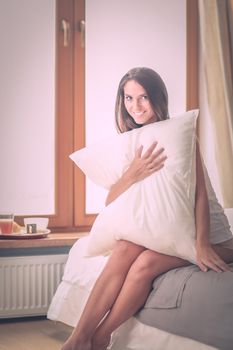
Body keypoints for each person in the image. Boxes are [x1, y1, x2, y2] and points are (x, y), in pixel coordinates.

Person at [61, 67, 233, 350]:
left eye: (143, 98)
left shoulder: (180, 134)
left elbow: (200, 194)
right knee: (125, 250)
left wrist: (202, 244)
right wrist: (133, 172)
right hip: (172, 232)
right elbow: (110, 200)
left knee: (145, 263)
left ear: (157, 98)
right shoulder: (133, 140)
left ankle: (102, 336)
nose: (135, 106)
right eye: (128, 98)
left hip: (213, 237)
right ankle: (79, 338)